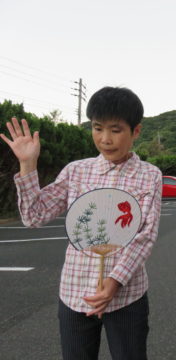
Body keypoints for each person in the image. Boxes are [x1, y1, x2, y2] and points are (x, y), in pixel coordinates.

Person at [0, 87, 162, 359]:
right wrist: (28, 165)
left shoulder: (150, 176)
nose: (105, 139)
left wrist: (115, 281)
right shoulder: (77, 171)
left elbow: (145, 235)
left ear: (136, 131)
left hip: (127, 296)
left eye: (116, 130)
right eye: (98, 128)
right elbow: (34, 216)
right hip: (75, 292)